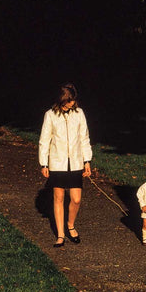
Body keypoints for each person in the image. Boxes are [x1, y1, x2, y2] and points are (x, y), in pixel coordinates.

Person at [39, 83, 93, 247]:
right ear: (62, 100)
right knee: (59, 198)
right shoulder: (50, 115)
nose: (72, 103)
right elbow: (44, 140)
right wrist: (44, 163)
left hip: (76, 162)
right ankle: (61, 235)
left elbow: (84, 138)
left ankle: (70, 225)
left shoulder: (79, 113)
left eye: (73, 100)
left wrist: (87, 160)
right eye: (69, 100)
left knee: (76, 199)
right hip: (57, 163)